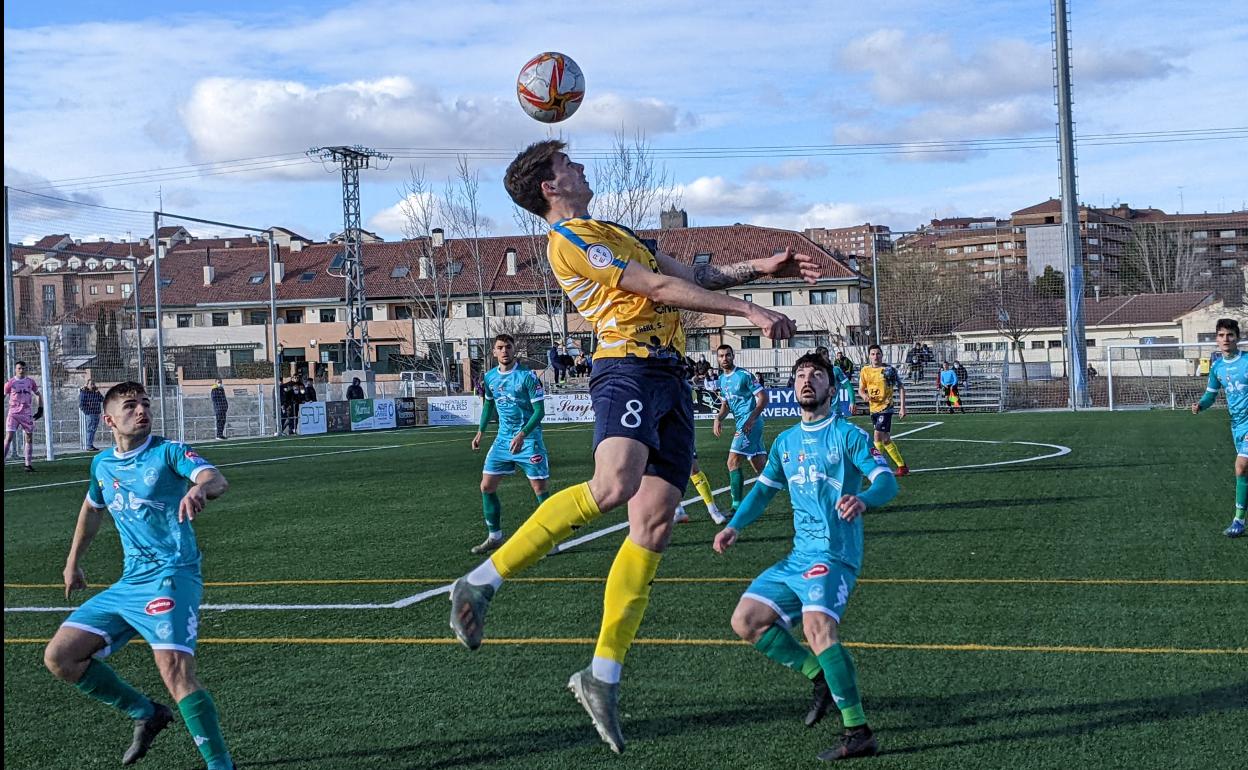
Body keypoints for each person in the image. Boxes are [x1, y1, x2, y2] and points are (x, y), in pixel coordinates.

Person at [447, 138, 817, 754]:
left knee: (654, 525)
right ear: (549, 185)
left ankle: (602, 675)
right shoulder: (570, 240)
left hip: (670, 376)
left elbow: (688, 276)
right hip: (628, 367)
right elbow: (653, 288)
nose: (582, 167)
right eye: (569, 164)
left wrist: (759, 269)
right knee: (615, 485)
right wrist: (747, 311)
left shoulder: (610, 228)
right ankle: (481, 582)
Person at [42, 381, 235, 769]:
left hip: (172, 574)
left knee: (174, 669)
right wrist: (72, 561)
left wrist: (199, 490)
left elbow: (215, 478)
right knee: (60, 657)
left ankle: (221, 766)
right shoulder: (102, 464)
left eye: (146, 403)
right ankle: (146, 713)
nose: (142, 410)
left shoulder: (169, 452)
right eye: (131, 406)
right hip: (130, 583)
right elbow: (92, 510)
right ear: (109, 419)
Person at [714, 353, 898, 761]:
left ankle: (858, 731)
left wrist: (864, 499)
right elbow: (762, 491)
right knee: (745, 621)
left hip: (834, 555)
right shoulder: (785, 442)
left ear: (832, 388)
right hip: (799, 557)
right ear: (793, 386)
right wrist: (734, 525)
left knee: (818, 628)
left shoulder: (848, 436)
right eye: (800, 375)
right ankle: (818, 677)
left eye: (817, 375)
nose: (807, 380)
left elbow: (886, 481)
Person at [470, 334, 552, 554]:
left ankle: (551, 538)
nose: (504, 351)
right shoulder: (489, 378)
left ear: (514, 349)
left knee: (539, 489)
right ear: (493, 352)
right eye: (500, 347)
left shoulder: (527, 377)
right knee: (486, 487)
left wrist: (523, 434)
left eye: (508, 347)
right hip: (503, 440)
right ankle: (495, 537)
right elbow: (488, 405)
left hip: (529, 439)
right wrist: (480, 432)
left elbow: (539, 412)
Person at [1191, 318, 1246, 538]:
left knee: (1241, 466)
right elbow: (1211, 395)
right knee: (1245, 470)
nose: (1226, 339)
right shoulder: (1217, 367)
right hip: (1237, 425)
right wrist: (1201, 405)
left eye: (1230, 335)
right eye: (1222, 335)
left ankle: (1238, 521)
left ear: (1237, 338)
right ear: (1216, 339)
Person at [715, 344, 769, 513]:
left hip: (750, 422)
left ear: (733, 356)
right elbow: (725, 406)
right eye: (721, 356)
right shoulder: (721, 380)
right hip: (743, 422)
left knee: (732, 462)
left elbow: (763, 397)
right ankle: (797, 493)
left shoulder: (744, 375)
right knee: (762, 467)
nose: (725, 358)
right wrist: (718, 418)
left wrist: (751, 419)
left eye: (728, 355)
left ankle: (736, 507)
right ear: (717, 358)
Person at [857, 344, 909, 476]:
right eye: (873, 354)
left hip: (886, 407)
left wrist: (903, 407)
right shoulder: (865, 370)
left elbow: (901, 387)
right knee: (885, 439)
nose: (875, 356)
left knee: (877, 436)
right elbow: (861, 389)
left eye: (878, 353)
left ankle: (877, 468)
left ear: (882, 355)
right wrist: (864, 395)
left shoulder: (888, 370)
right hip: (873, 409)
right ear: (869, 356)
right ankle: (902, 467)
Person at [4, 360, 41, 472]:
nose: (21, 370)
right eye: (19, 368)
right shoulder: (10, 383)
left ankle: (28, 465)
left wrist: (40, 409)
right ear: (15, 369)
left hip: (26, 414)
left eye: (23, 368)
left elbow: (38, 394)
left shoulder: (30, 382)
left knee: (29, 438)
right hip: (13, 414)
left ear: (26, 369)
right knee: (9, 437)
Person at [79, 379, 105, 450]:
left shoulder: (95, 392)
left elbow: (102, 399)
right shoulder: (84, 393)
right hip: (90, 413)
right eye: (91, 384)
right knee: (90, 429)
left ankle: (90, 445)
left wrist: (98, 392)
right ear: (87, 385)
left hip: (96, 412)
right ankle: (89, 445)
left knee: (93, 429)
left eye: (93, 384)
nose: (93, 385)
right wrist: (87, 412)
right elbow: (81, 404)